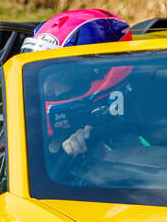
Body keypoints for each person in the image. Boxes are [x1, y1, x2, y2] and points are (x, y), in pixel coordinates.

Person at [21, 9, 136, 157]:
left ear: (99, 73)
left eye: (59, 78)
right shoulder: (23, 125)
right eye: (42, 74)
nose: (46, 88)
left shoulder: (135, 122)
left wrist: (100, 153)